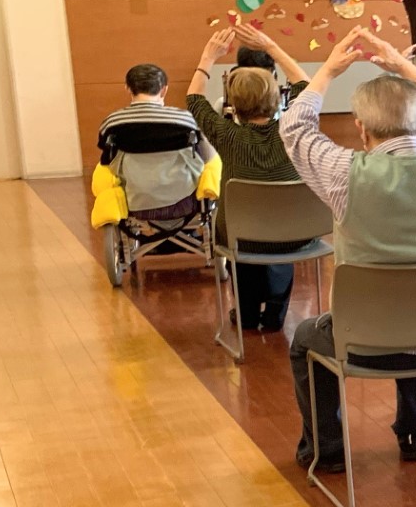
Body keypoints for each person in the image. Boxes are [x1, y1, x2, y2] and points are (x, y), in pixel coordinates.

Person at [280, 27, 416, 472]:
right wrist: (406, 68)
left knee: (305, 338)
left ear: (360, 127)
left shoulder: (344, 172)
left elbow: (293, 127)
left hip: (364, 340)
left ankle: (327, 452)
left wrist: (328, 71)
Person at [186, 24, 308, 332]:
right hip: (294, 231)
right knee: (279, 240)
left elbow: (194, 99)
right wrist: (271, 47)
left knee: (240, 238)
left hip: (241, 235)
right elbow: (305, 85)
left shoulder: (226, 135)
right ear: (277, 97)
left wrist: (208, 57)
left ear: (234, 104)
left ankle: (247, 315)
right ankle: (276, 314)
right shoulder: (294, 131)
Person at [99, 62, 213, 215]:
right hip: (183, 200)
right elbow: (206, 156)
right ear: (164, 89)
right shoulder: (185, 120)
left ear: (128, 88)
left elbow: (107, 158)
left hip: (134, 201)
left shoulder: (113, 122)